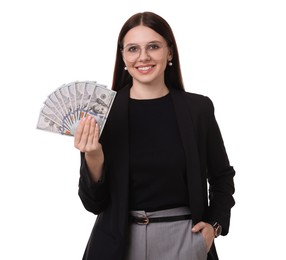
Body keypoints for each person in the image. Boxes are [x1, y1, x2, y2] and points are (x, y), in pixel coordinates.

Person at [74, 11, 235, 260]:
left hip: (185, 239)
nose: (143, 57)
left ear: (169, 52)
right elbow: (93, 204)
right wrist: (93, 156)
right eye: (133, 49)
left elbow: (222, 177)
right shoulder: (101, 113)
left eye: (153, 46)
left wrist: (214, 227)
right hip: (119, 244)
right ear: (123, 56)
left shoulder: (198, 110)